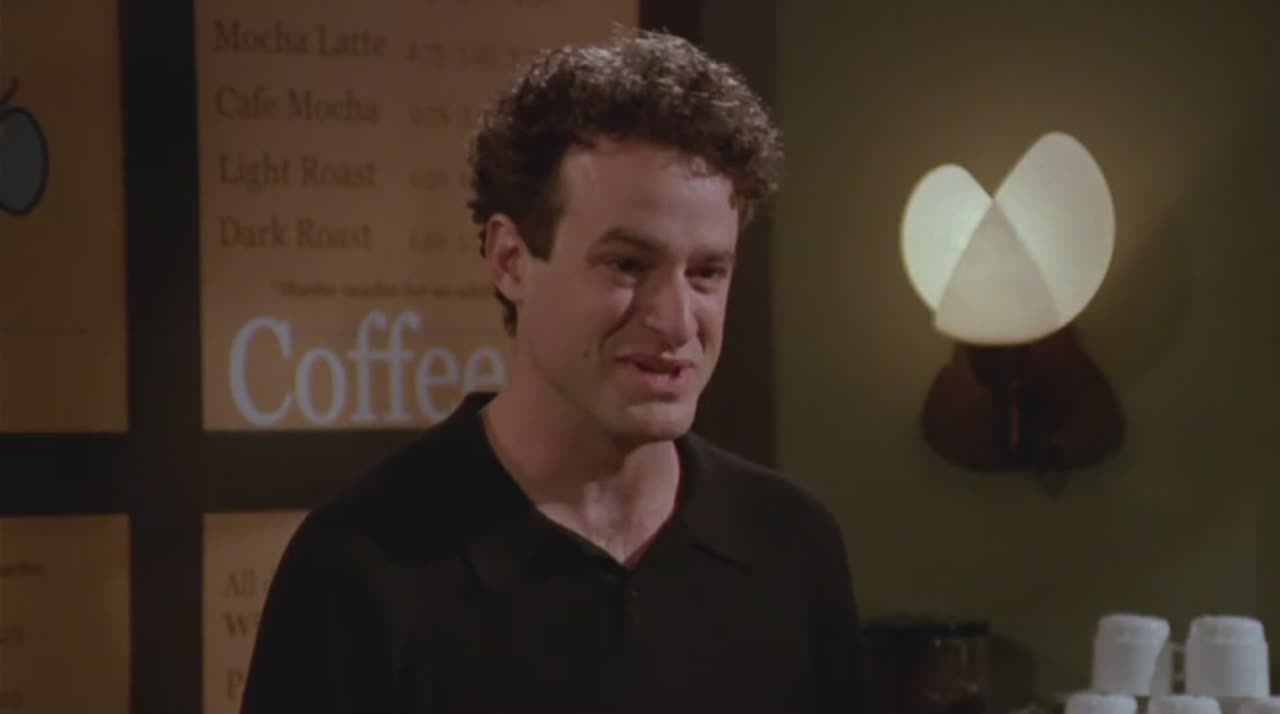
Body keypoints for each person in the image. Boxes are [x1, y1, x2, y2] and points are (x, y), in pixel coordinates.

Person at [240, 27, 870, 714]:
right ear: (510, 260)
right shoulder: (358, 568)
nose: (677, 320)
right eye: (628, 265)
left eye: (707, 272)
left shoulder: (791, 547)